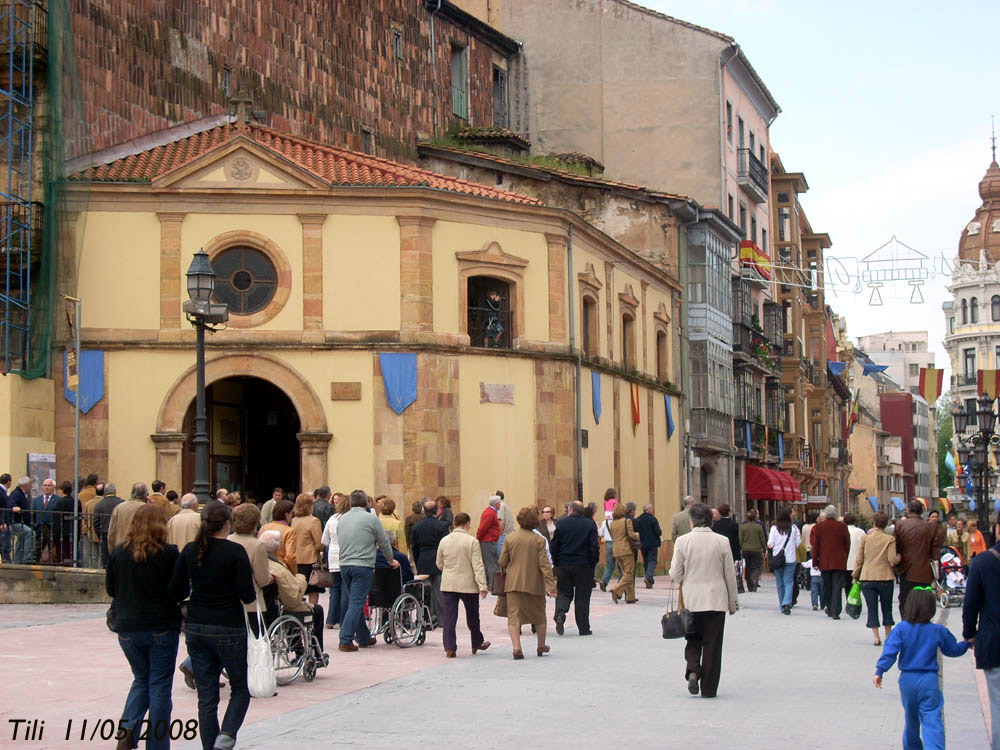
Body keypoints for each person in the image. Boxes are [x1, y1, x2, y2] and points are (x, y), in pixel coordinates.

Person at [168, 501, 255, 750]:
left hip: (197, 624)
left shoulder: (191, 550)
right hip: (229, 625)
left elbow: (177, 589)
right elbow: (247, 595)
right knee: (239, 688)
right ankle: (226, 735)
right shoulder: (235, 551)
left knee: (207, 698)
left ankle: (210, 745)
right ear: (227, 524)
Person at [106, 504, 182, 750]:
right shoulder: (169, 554)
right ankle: (157, 744)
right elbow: (179, 591)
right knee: (159, 683)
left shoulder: (119, 552)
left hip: (127, 627)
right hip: (161, 625)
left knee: (141, 679)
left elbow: (110, 589)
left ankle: (127, 731)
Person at [874, 588, 970, 750]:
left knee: (911, 719)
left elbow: (890, 652)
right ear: (931, 608)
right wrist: (967, 643)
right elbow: (952, 650)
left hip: (907, 680)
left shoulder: (901, 629)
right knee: (932, 717)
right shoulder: (938, 630)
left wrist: (880, 671)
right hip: (929, 680)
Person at [669, 502, 739, 698]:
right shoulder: (722, 541)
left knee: (692, 637)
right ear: (711, 521)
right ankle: (709, 689)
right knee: (712, 645)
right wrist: (733, 602)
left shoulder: (682, 541)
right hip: (716, 601)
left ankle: (692, 669)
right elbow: (729, 575)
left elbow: (676, 574)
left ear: (691, 521)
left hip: (692, 601)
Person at [335, 490, 398, 652]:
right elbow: (383, 542)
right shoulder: (371, 519)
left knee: (353, 601)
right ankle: (345, 638)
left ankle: (363, 636)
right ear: (366, 503)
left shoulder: (342, 519)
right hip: (362, 565)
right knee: (357, 602)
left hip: (344, 564)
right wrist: (391, 560)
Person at [498, 506, 556, 659]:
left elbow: (502, 561)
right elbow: (545, 565)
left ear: (519, 520)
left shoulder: (510, 538)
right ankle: (541, 645)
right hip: (535, 584)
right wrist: (551, 586)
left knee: (514, 616)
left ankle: (517, 648)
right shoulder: (539, 540)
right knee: (539, 615)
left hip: (513, 583)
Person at [259, 530, 325, 654]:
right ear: (278, 548)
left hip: (263, 609)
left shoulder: (258, 564)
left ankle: (299, 650)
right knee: (315, 610)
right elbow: (293, 597)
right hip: (278, 611)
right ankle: (315, 654)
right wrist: (301, 578)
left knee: (291, 611)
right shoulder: (279, 569)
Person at [963, 531, 1000, 749]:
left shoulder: (983, 561)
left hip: (994, 641)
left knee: (997, 702)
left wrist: (969, 633)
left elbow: (971, 604)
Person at [436, 512, 490, 658]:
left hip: (449, 584)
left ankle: (450, 647)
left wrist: (448, 570)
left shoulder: (444, 541)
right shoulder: (472, 541)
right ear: (467, 523)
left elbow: (439, 563)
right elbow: (477, 565)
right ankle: (476, 642)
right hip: (468, 584)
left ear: (455, 523)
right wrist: (482, 586)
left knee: (449, 617)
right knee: (473, 615)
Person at [551, 500, 600, 636]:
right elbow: (593, 546)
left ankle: (560, 613)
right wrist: (593, 562)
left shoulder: (561, 523)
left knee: (564, 592)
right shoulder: (589, 524)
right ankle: (583, 627)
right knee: (582, 596)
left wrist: (556, 562)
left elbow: (554, 545)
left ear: (570, 510)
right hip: (583, 565)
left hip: (565, 564)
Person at [854, 511, 900, 646]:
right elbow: (892, 559)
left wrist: (855, 575)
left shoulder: (865, 538)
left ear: (873, 523)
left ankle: (876, 637)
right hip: (885, 577)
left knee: (872, 608)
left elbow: (859, 559)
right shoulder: (890, 539)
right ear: (885, 524)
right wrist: (899, 558)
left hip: (867, 577)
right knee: (887, 607)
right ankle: (888, 636)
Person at [228, 503, 272, 624]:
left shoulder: (228, 540)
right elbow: (263, 579)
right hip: (251, 602)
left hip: (230, 600)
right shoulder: (257, 545)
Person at [894, 500, 937, 619]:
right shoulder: (930, 526)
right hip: (925, 570)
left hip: (906, 569)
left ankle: (907, 625)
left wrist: (896, 565)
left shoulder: (900, 525)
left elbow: (895, 546)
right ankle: (923, 624)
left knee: (906, 600)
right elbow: (935, 551)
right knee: (924, 601)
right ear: (922, 511)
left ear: (908, 510)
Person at [411, 498, 450, 626]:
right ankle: (442, 619)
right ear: (436, 511)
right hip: (438, 559)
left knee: (424, 592)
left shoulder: (417, 527)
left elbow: (414, 547)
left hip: (423, 559)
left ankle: (425, 616)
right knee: (439, 591)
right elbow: (446, 546)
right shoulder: (443, 526)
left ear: (424, 511)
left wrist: (417, 562)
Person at [810, 505, 850, 619]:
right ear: (835, 514)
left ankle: (829, 606)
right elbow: (847, 544)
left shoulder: (819, 527)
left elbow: (816, 546)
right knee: (837, 585)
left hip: (825, 561)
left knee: (827, 585)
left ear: (826, 515)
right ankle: (836, 611)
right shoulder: (842, 527)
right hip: (839, 561)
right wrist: (845, 557)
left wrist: (815, 562)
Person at [320, 493, 349, 630]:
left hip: (333, 555)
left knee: (335, 588)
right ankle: (343, 619)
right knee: (345, 588)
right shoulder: (348, 519)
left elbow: (324, 540)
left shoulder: (332, 519)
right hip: (346, 554)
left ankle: (331, 619)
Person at [290, 493, 323, 606]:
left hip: (295, 558)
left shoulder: (294, 520)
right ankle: (312, 613)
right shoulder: (314, 521)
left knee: (299, 589)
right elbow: (319, 543)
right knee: (313, 589)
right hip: (310, 559)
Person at [766, 508, 801, 615]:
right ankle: (787, 603)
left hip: (778, 559)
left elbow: (770, 544)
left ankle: (782, 605)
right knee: (789, 582)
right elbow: (798, 544)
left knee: (780, 583)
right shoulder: (794, 528)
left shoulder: (774, 528)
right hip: (790, 559)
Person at [609, 503, 640, 604]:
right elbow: (631, 535)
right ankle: (616, 589)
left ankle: (630, 597)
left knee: (625, 573)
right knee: (629, 573)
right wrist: (638, 535)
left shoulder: (612, 523)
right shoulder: (627, 521)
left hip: (616, 550)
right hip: (626, 550)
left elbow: (613, 536)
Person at [258, 499, 297, 573]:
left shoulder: (264, 527)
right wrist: (294, 573)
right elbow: (290, 556)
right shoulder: (289, 531)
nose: (292, 516)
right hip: (281, 570)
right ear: (286, 514)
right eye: (292, 513)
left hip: (264, 568)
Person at [108, 482, 148, 553]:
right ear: (145, 494)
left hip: (120, 548)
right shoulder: (147, 508)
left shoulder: (119, 508)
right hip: (141, 550)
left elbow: (112, 532)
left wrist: (112, 551)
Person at [51, 480, 80, 566]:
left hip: (62, 533)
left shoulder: (59, 503)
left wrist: (55, 535)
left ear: (62, 490)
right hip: (74, 531)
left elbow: (56, 520)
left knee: (63, 555)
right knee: (72, 553)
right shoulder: (76, 502)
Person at [93, 483, 123, 567]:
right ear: (115, 491)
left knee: (106, 562)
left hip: (105, 534)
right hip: (119, 534)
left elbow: (95, 523)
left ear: (104, 493)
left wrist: (100, 535)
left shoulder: (99, 505)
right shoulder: (122, 503)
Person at [711, 504, 740, 588]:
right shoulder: (734, 525)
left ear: (719, 513)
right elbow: (736, 542)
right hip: (730, 551)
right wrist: (738, 557)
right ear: (729, 513)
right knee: (729, 571)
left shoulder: (715, 525)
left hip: (717, 551)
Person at [635, 504, 663, 589]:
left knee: (646, 561)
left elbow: (636, 530)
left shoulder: (639, 519)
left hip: (643, 543)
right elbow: (658, 532)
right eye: (652, 509)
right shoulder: (653, 519)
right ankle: (648, 577)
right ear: (649, 509)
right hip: (652, 543)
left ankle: (649, 582)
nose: (653, 510)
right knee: (652, 561)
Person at [30, 477, 57, 563]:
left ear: (53, 487)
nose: (46, 487)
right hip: (39, 529)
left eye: (49, 485)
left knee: (52, 551)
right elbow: (33, 515)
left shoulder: (58, 500)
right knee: (36, 551)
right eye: (45, 485)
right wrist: (34, 526)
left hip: (51, 529)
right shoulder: (36, 500)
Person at [477, 495, 502, 586]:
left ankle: (491, 583)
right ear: (496, 504)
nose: (500, 505)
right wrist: (478, 538)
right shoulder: (490, 513)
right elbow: (483, 528)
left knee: (490, 562)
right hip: (488, 541)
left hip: (488, 541)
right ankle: (493, 585)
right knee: (492, 563)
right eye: (499, 503)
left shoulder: (490, 512)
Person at [738, 509, 766, 592]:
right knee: (756, 566)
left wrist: (740, 548)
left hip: (745, 549)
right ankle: (754, 579)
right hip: (756, 549)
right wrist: (764, 549)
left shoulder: (742, 527)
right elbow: (762, 539)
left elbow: (740, 539)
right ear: (755, 518)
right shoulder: (758, 527)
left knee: (748, 567)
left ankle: (749, 584)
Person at [598, 508, 620, 592]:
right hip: (617, 543)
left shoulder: (605, 522)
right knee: (620, 565)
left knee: (609, 565)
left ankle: (604, 581)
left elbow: (601, 533)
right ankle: (619, 585)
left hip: (608, 544)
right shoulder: (618, 522)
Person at [844, 513, 866, 597]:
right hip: (857, 562)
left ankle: (848, 599)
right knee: (856, 583)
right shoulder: (860, 532)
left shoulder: (843, 530)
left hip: (845, 562)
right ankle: (855, 598)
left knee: (847, 584)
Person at [496, 490, 515, 555]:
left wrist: (498, 536)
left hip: (503, 537)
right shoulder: (506, 505)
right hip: (510, 536)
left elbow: (501, 522)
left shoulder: (500, 506)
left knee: (501, 560)